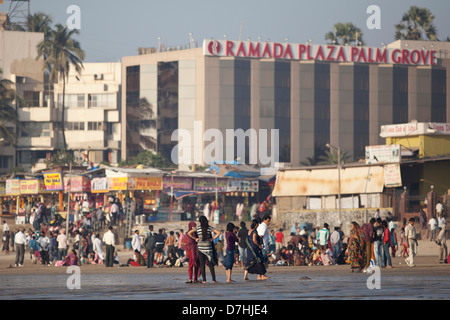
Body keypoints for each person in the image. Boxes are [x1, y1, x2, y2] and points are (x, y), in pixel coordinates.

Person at [187, 216, 221, 284]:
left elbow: (189, 233)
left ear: (200, 222)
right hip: (208, 248)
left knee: (202, 265)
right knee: (210, 264)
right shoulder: (209, 228)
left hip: (200, 248)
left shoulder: (198, 228)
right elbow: (218, 232)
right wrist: (212, 238)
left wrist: (195, 238)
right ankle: (214, 280)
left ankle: (204, 280)